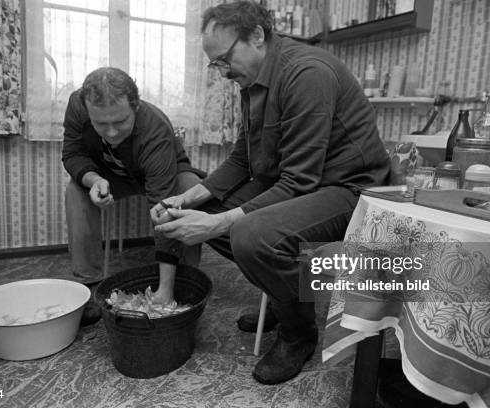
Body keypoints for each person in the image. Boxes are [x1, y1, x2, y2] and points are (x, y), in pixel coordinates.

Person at [151, 1, 390, 385]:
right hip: (305, 182)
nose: (222, 72)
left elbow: (299, 182)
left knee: (251, 234)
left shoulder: (306, 73)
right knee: (195, 202)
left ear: (258, 36)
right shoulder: (253, 81)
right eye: (216, 65)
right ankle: (285, 294)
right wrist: (187, 199)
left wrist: (216, 224)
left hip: (350, 189)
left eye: (225, 59)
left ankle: (299, 333)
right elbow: (243, 161)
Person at [62, 67, 205, 321]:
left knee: (189, 187)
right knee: (75, 190)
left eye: (120, 122)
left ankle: (185, 278)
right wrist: (94, 179)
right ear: (87, 111)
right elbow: (73, 154)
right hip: (111, 174)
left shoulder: (155, 128)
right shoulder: (77, 105)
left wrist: (165, 291)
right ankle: (89, 285)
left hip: (165, 173)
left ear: (135, 107)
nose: (112, 132)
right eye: (100, 124)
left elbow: (163, 207)